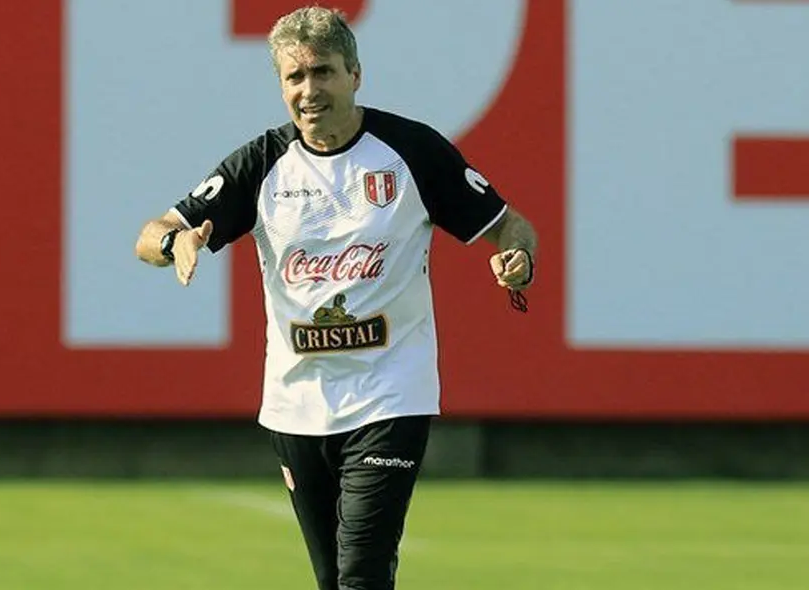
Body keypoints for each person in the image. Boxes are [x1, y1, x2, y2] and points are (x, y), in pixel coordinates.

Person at [135, 6, 538, 589]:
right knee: (334, 579)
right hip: (295, 401)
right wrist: (177, 241)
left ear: (355, 74)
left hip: (391, 393)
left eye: (322, 72)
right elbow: (149, 233)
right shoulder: (261, 163)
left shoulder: (411, 152)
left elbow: (509, 225)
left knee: (361, 575)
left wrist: (517, 260)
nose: (309, 90)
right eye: (294, 78)